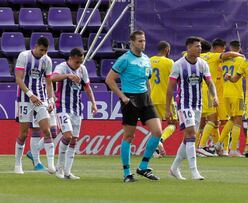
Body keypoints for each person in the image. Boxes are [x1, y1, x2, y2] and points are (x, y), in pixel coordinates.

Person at [106, 30, 163, 183]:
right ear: (132, 42)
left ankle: (143, 166)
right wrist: (123, 97)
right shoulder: (124, 59)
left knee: (157, 131)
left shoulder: (146, 59)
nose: (142, 43)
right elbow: (109, 80)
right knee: (129, 136)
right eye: (139, 41)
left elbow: (147, 80)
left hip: (145, 98)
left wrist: (149, 96)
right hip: (130, 99)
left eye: (143, 40)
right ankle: (127, 173)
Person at [167, 36, 218, 180]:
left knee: (188, 138)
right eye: (197, 46)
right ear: (189, 48)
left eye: (200, 46)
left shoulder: (203, 64)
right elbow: (170, 88)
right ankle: (194, 171)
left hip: (198, 105)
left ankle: (174, 168)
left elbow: (209, 82)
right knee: (191, 135)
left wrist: (215, 96)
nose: (200, 49)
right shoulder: (178, 65)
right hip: (184, 104)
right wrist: (167, 108)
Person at [52, 48, 97, 180]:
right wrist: (67, 76)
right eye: (77, 62)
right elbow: (53, 77)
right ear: (71, 58)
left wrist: (93, 104)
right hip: (62, 108)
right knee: (67, 135)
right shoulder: (62, 67)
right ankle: (59, 168)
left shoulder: (82, 69)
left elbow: (87, 88)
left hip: (76, 109)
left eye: (81, 61)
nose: (79, 64)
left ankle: (67, 172)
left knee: (74, 140)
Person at [14, 37, 56, 174]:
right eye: (41, 50)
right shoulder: (24, 56)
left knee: (47, 131)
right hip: (25, 99)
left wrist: (50, 100)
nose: (43, 53)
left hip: (40, 100)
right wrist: (30, 94)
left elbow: (49, 83)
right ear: (36, 46)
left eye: (45, 51)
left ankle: (51, 165)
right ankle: (18, 164)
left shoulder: (47, 60)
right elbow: (18, 79)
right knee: (23, 134)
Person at [197, 38, 242, 156]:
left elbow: (184, 53)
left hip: (213, 93)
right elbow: (228, 54)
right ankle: (203, 147)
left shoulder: (200, 57)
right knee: (218, 120)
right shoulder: (215, 57)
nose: (223, 50)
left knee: (214, 121)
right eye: (222, 48)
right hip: (213, 92)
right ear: (218, 48)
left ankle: (218, 148)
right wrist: (240, 54)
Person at [214, 40, 245, 157]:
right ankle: (233, 150)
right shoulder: (242, 60)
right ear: (239, 49)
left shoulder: (223, 61)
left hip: (226, 93)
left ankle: (219, 143)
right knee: (238, 120)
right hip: (237, 93)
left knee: (231, 119)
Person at [149, 41, 176, 158]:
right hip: (166, 98)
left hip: (152, 97)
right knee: (173, 123)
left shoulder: (149, 61)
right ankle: (160, 140)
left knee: (157, 127)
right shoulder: (169, 62)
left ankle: (155, 151)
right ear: (166, 49)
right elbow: (176, 79)